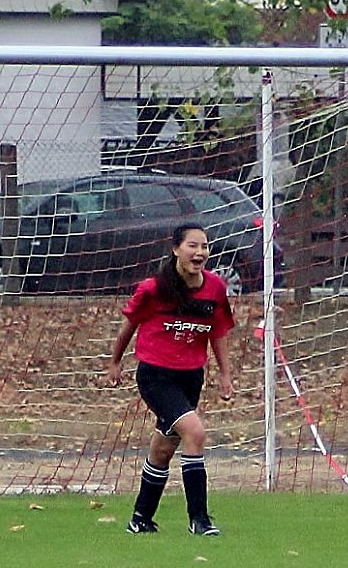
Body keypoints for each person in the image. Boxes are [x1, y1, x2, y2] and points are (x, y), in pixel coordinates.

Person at [107, 223, 235, 537]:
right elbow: (129, 326)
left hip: (191, 378)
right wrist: (114, 362)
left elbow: (217, 332)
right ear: (176, 249)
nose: (200, 252)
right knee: (196, 433)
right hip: (155, 376)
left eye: (204, 246)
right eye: (193, 245)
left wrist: (225, 375)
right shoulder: (153, 288)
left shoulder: (215, 288)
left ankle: (140, 519)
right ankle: (200, 519)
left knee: (163, 450)